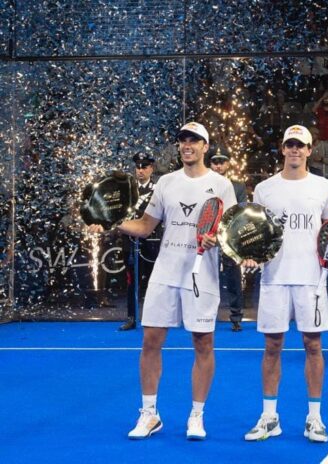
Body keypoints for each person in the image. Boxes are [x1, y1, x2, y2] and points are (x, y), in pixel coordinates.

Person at [88, 122, 236, 440]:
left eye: (194, 140)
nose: (187, 145)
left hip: (201, 276)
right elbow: (144, 226)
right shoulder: (166, 183)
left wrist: (217, 239)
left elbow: (231, 234)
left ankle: (196, 416)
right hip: (166, 272)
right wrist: (110, 221)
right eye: (183, 140)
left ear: (205, 147)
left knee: (203, 344)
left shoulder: (222, 185)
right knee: (151, 341)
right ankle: (149, 414)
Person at [244, 125, 328, 444]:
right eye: (289, 144)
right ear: (282, 148)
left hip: (311, 281)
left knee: (313, 346)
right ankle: (269, 417)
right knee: (272, 347)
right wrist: (249, 255)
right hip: (273, 278)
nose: (294, 150)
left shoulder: (323, 187)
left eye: (299, 145)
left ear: (309, 150)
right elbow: (255, 230)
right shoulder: (264, 189)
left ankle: (314, 419)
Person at [119, 152, 161, 331]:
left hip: (152, 239)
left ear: (151, 168)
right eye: (138, 167)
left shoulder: (158, 188)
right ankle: (131, 316)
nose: (141, 170)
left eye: (144, 166)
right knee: (131, 280)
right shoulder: (127, 188)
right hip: (130, 239)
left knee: (155, 280)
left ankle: (156, 317)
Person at [209, 150, 248, 331]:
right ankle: (205, 315)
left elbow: (241, 212)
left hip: (230, 238)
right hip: (207, 238)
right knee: (206, 277)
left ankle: (236, 316)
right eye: (215, 162)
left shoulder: (238, 187)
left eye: (221, 162)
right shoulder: (202, 185)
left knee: (233, 276)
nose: (218, 165)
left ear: (228, 164)